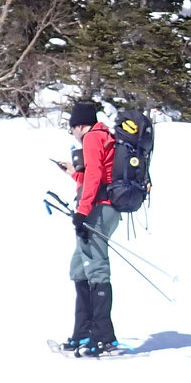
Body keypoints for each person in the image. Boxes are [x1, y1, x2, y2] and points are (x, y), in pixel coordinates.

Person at [57, 100, 122, 356]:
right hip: (100, 206)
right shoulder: (103, 137)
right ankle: (83, 333)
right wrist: (74, 173)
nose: (72, 132)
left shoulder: (93, 138)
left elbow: (95, 175)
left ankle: (104, 338)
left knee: (96, 267)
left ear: (79, 125)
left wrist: (82, 211)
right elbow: (94, 175)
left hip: (99, 208)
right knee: (79, 267)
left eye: (72, 128)